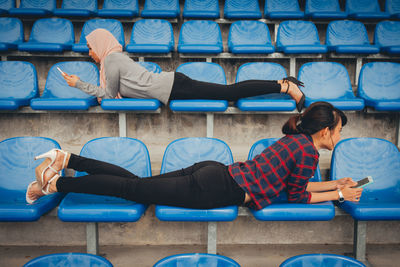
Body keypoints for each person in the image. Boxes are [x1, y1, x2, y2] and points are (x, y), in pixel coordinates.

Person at [26, 101, 363, 209]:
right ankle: (55, 186)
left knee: (135, 184)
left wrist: (336, 183)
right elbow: (296, 196)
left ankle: (67, 159)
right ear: (324, 133)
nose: (340, 135)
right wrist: (337, 194)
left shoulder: (297, 143)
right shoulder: (307, 152)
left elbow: (298, 187)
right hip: (216, 189)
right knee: (129, 190)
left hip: (215, 171)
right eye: (338, 130)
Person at [60, 28, 306, 112]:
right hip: (173, 85)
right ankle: (282, 85)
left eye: (90, 47)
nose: (89, 52)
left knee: (230, 92)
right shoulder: (112, 59)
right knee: (229, 92)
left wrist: (78, 84)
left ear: (100, 45)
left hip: (174, 86)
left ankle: (284, 85)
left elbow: (107, 93)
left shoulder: (111, 60)